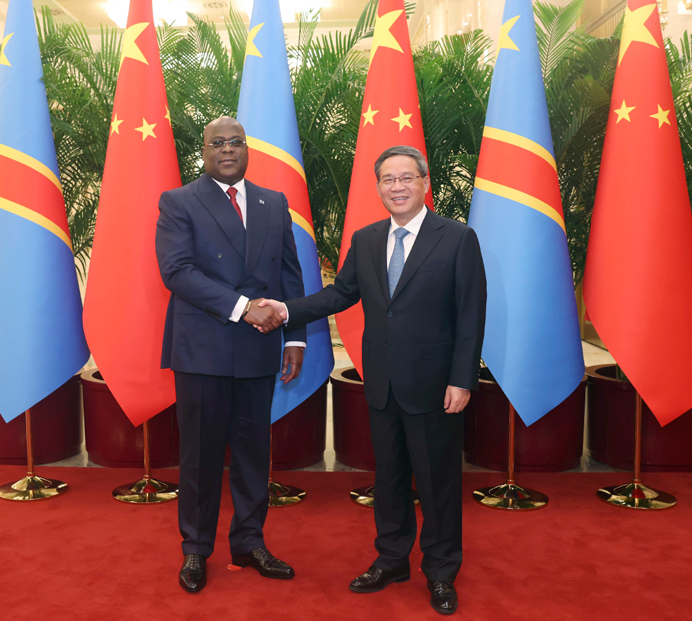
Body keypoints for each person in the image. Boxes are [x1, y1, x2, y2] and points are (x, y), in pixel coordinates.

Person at [261, 145, 486, 615]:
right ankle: (392, 560)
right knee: (390, 479)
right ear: (379, 187)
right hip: (381, 383)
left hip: (436, 387)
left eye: (406, 178)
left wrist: (462, 379)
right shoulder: (366, 240)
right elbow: (340, 294)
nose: (397, 187)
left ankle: (441, 571)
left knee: (438, 484)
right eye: (388, 179)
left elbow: (470, 316)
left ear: (425, 183)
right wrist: (285, 310)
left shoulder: (457, 238)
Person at [155, 116, 306, 593]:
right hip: (203, 351)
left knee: (253, 454)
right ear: (203, 151)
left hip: (259, 350)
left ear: (247, 150)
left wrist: (296, 338)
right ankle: (196, 549)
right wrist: (244, 308)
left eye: (235, 142)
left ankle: (249, 543)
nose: (226, 149)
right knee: (200, 457)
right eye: (217, 142)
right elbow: (176, 271)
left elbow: (289, 274)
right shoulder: (179, 201)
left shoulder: (273, 202)